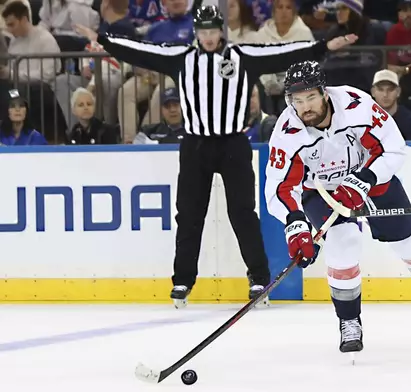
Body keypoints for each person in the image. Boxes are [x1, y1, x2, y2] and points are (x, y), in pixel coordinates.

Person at [74, 5, 358, 308]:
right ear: (197, 33)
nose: (208, 37)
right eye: (203, 32)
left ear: (220, 31)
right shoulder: (182, 58)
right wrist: (104, 40)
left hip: (233, 144)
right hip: (195, 145)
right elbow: (141, 51)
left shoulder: (242, 56)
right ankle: (182, 280)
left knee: (243, 214)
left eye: (213, 31)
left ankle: (259, 277)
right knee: (189, 215)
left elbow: (282, 53)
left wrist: (324, 46)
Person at [264, 61, 411, 354]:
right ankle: (349, 320)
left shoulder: (357, 105)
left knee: (408, 238)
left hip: (371, 177)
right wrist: (295, 224)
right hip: (321, 191)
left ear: (324, 93)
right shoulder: (287, 132)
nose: (304, 106)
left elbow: (394, 147)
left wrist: (364, 179)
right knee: (344, 242)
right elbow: (279, 187)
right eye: (297, 100)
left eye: (310, 97)